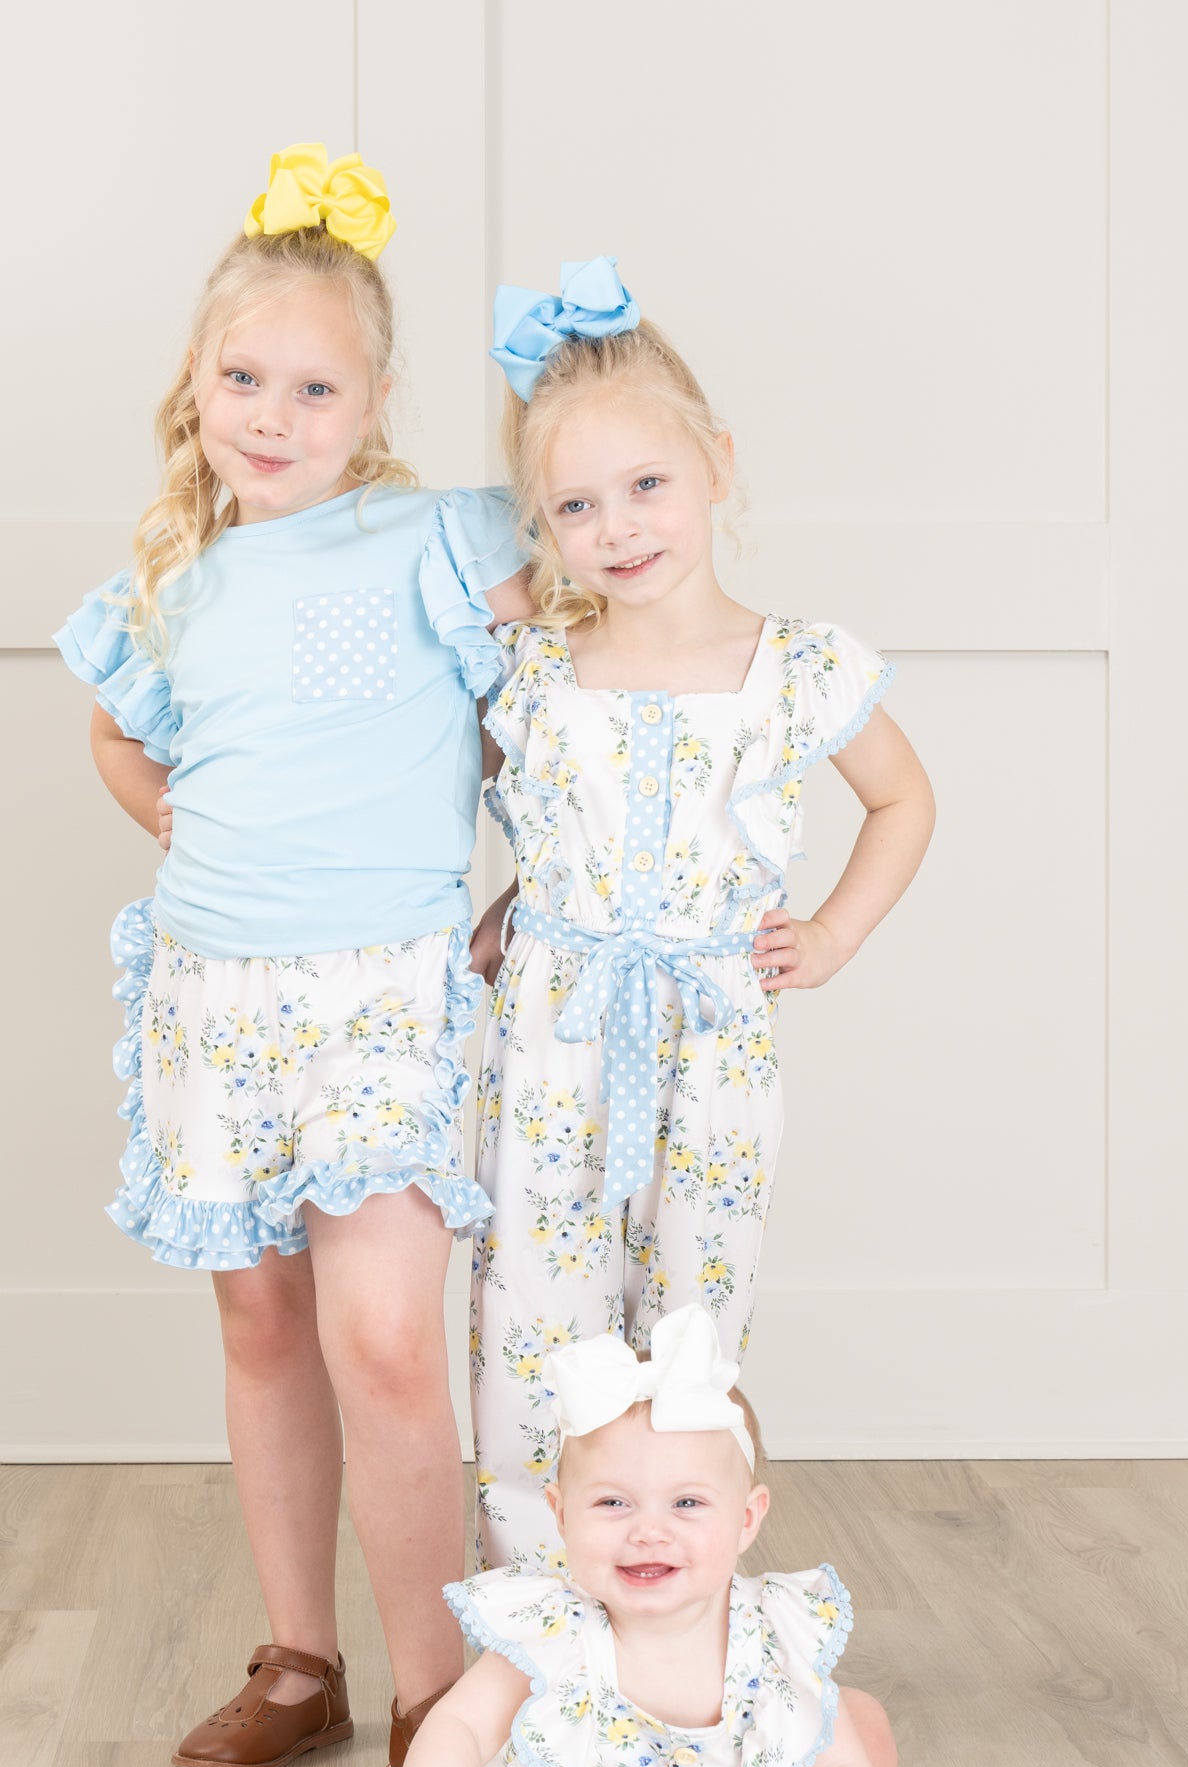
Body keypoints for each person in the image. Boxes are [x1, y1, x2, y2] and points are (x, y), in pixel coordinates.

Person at [55, 145, 527, 1767]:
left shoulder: (437, 540)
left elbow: (551, 714)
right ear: (195, 378)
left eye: (315, 388)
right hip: (215, 990)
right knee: (262, 1321)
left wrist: (533, 886)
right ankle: (301, 1658)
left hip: (382, 987)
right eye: (244, 378)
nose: (273, 415)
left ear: (375, 400)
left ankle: (436, 1693)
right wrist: (177, 821)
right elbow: (118, 735)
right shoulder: (173, 578)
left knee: (382, 1333)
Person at [467, 260, 935, 1568]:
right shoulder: (534, 670)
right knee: (538, 1327)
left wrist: (832, 934)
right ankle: (542, 1615)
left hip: (713, 1040)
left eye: (647, 485)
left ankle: (681, 1597)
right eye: (576, 505)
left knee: (690, 1333)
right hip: (555, 1042)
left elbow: (903, 799)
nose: (618, 528)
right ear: (542, 524)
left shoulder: (796, 667)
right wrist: (518, 908)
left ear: (718, 466)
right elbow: (556, 823)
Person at [389, 1306, 934, 1767]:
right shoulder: (554, 1630)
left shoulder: (770, 1635)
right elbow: (458, 1727)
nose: (649, 1531)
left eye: (687, 1503)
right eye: (614, 1503)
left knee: (859, 1725)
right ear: (561, 1514)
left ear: (746, 1519)